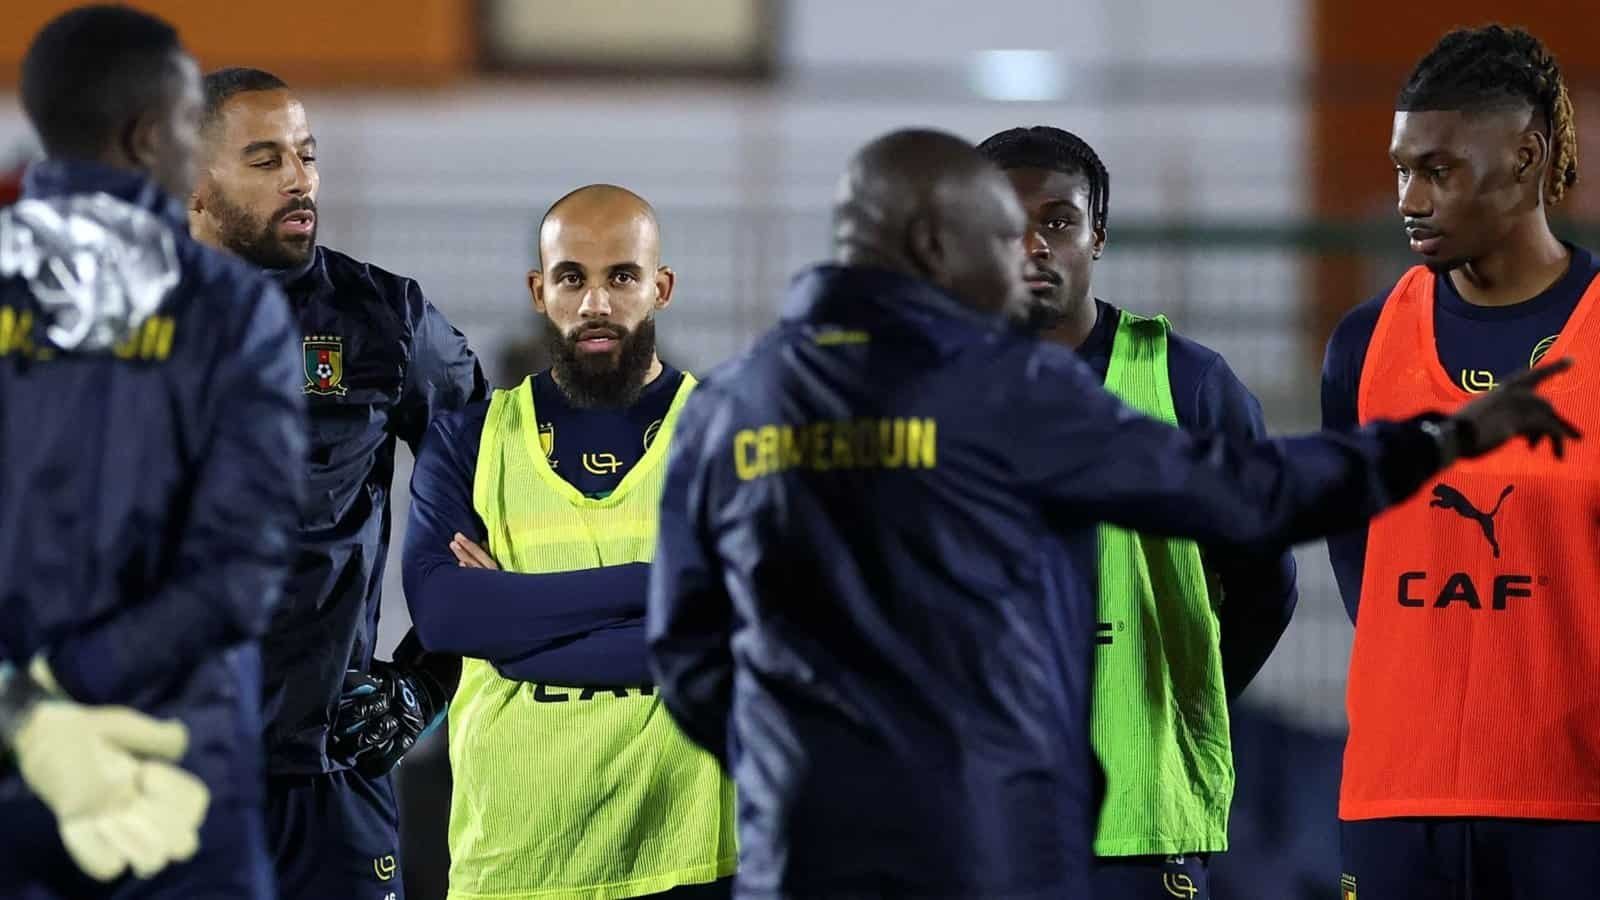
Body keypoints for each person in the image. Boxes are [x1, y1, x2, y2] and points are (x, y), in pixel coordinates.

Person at [645, 128, 1578, 899]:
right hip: (985, 847)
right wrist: (1440, 439)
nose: (1020, 259)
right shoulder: (998, 388)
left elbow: (686, 652)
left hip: (796, 854)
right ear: (934, 244)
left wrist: (800, 760)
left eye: (1049, 227)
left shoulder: (730, 406)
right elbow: (1247, 492)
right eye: (995, 236)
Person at [0, 6, 305, 898]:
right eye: (184, 124)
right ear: (144, 137)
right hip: (171, 777)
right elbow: (239, 575)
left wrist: (21, 706)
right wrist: (67, 683)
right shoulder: (231, 309)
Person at [975, 124, 1298, 898]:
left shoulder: (1189, 385)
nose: (1034, 245)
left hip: (1140, 823)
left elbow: (1267, 584)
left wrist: (1184, 700)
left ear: (1098, 236)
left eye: (1059, 221)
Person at [188, 66, 487, 899]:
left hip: (330, 784)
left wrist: (429, 678)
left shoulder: (384, 320)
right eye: (265, 159)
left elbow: (505, 497)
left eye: (307, 155)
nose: (300, 179)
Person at [1322, 25, 1600, 900]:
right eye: (1403, 170)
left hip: (1574, 806)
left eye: (1438, 171)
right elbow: (1360, 564)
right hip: (1396, 799)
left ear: (1527, 157)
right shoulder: (1362, 346)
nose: (1410, 199)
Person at [403, 184, 736, 900]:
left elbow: (744, 636)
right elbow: (447, 617)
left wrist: (510, 633)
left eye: (622, 277)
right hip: (512, 864)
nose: (596, 303)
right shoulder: (470, 440)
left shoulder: (730, 433)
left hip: (687, 861)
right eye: (572, 278)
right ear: (539, 290)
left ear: (662, 287)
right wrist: (666, 586)